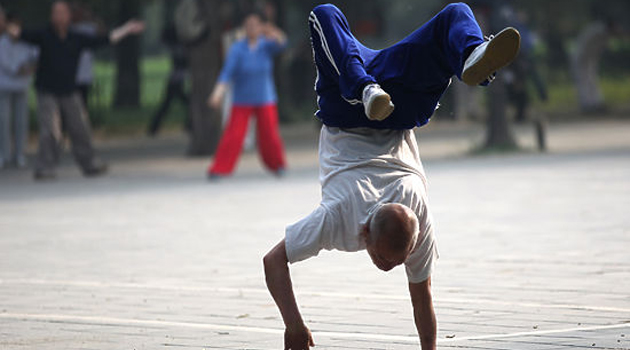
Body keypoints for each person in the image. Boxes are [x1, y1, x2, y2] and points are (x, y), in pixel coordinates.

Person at [262, 3, 520, 350]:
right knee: (325, 15)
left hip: (377, 102)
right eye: (385, 258)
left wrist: (293, 324)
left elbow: (421, 297)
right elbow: (273, 261)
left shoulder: (403, 217)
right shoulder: (347, 215)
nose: (386, 267)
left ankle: (471, 53)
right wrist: (294, 325)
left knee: (449, 12)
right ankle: (373, 83)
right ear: (365, 231)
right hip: (373, 105)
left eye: (393, 261)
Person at [6, 1, 144, 180]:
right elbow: (18, 34)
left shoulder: (77, 37)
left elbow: (105, 39)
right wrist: (5, 25)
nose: (59, 16)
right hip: (47, 90)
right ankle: (45, 167)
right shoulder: (44, 34)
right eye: (55, 12)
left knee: (80, 128)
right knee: (51, 130)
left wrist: (127, 29)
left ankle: (90, 164)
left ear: (69, 16)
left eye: (62, 12)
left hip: (70, 90)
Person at [206, 11, 287, 179]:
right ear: (244, 28)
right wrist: (217, 94)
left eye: (255, 25)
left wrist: (269, 29)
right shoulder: (237, 49)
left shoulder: (266, 45)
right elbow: (227, 73)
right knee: (233, 135)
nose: (252, 29)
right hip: (242, 99)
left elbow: (282, 42)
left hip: (265, 97)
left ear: (260, 27)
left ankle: (277, 165)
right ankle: (219, 169)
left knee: (270, 135)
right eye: (248, 25)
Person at [0, 9, 38, 169]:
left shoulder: (26, 42)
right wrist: (19, 69)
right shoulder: (3, 42)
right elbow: (5, 62)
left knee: (21, 121)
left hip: (22, 86)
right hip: (4, 86)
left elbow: (36, 57)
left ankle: (20, 153)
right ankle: (4, 154)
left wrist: (30, 67)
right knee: (3, 121)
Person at [147, 23, 190, 137]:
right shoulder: (180, 48)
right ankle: (189, 125)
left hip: (175, 78)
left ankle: (154, 127)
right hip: (179, 78)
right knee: (186, 103)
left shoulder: (175, 47)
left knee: (168, 104)